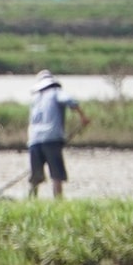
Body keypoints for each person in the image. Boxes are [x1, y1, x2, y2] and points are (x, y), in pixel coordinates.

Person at [27, 69, 92, 199]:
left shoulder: (34, 100)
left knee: (36, 175)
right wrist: (83, 117)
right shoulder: (56, 93)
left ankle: (31, 199)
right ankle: (58, 200)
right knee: (56, 174)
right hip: (51, 139)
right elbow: (71, 101)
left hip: (34, 140)